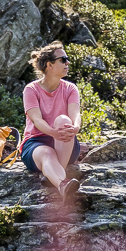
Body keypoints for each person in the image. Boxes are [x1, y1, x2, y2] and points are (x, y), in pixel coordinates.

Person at [23, 42, 83, 200]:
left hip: (65, 142)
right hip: (36, 143)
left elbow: (75, 114)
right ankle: (63, 184)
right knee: (47, 152)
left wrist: (75, 127)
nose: (67, 63)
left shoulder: (70, 89)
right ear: (50, 65)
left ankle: (54, 176)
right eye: (63, 59)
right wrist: (52, 133)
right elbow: (36, 119)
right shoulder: (31, 89)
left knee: (64, 120)